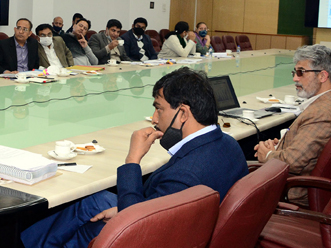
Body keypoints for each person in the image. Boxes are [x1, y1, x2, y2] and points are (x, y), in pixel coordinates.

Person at [21, 67, 247, 248]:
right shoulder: (228, 144)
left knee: (87, 221)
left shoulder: (184, 176)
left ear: (183, 113)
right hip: (183, 224)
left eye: (159, 109)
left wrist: (133, 159)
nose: (154, 118)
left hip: (155, 235)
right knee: (94, 202)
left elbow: (138, 226)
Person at [254, 44, 331, 205]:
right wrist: (281, 146)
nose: (295, 78)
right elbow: (309, 150)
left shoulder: (320, 114)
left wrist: (268, 154)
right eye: (295, 72)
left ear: (322, 76)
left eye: (301, 72)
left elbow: (293, 162)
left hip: (294, 193)